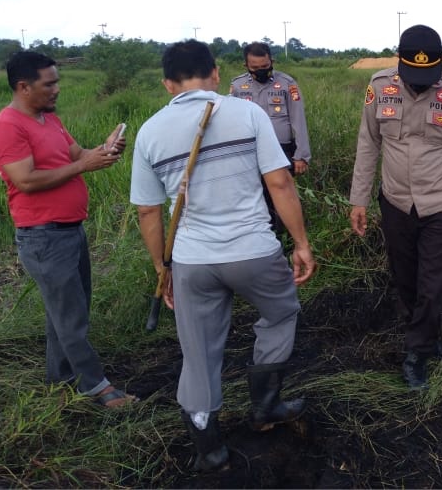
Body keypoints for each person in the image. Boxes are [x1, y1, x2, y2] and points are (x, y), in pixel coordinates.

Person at [130, 39, 316, 472]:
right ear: (215, 74)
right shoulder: (247, 113)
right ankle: (265, 406)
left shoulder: (150, 132)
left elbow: (148, 211)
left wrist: (162, 268)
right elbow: (280, 183)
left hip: (192, 261)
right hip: (254, 251)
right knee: (281, 313)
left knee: (198, 352)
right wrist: (302, 243)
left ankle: (210, 450)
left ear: (167, 84)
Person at [0, 51, 135, 408]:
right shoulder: (8, 126)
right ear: (24, 87)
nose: (57, 89)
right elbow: (25, 180)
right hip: (44, 236)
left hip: (68, 231)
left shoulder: (48, 118)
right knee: (70, 318)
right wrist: (83, 165)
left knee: (67, 313)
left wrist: (104, 150)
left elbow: (77, 155)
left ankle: (62, 380)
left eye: (57, 82)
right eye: (49, 83)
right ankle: (96, 387)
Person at [349, 24, 442, 390]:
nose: (421, 84)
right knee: (405, 278)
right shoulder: (380, 87)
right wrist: (359, 199)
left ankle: (416, 354)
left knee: (433, 283)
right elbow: (368, 143)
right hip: (395, 202)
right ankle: (427, 335)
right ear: (399, 61)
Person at [229, 42, 311, 231]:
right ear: (246, 66)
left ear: (272, 61)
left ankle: (286, 237)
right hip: (249, 151)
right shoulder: (238, 86)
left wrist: (301, 155)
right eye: (255, 67)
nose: (261, 71)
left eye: (265, 66)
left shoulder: (287, 84)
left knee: (282, 195)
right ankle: (259, 234)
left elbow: (298, 119)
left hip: (281, 150)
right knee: (255, 197)